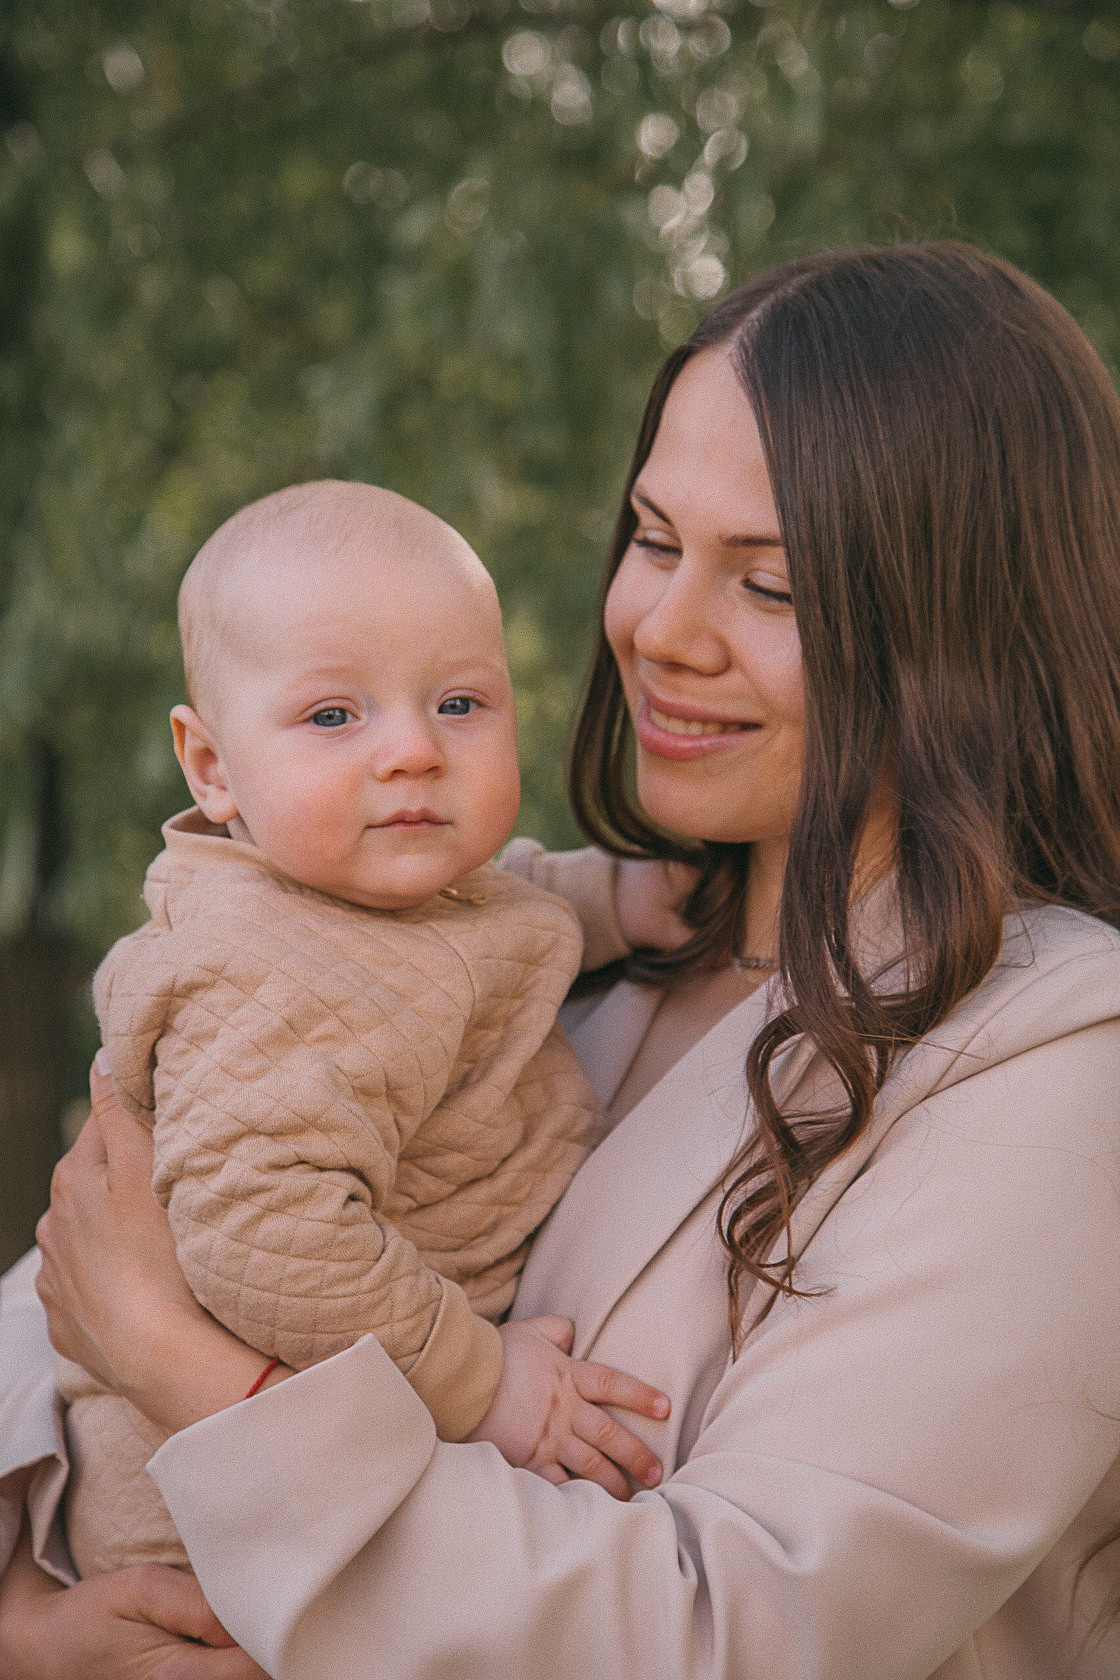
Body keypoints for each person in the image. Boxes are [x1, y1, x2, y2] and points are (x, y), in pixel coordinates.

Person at [4, 239, 1120, 1679]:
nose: (659, 630)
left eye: (767, 587)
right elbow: (89, 1246)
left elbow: (728, 1635)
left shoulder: (1057, 1061)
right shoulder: (522, 929)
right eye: (655, 542)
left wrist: (207, 1384)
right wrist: (26, 1618)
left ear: (960, 628)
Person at [57, 479, 670, 1580]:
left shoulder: (371, 892)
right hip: (220, 1537)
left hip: (323, 1469)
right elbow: (266, 1242)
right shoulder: (262, 978)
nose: (412, 752)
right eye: (334, 716)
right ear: (211, 766)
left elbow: (495, 905)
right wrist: (480, 1382)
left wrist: (618, 901)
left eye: (459, 704)